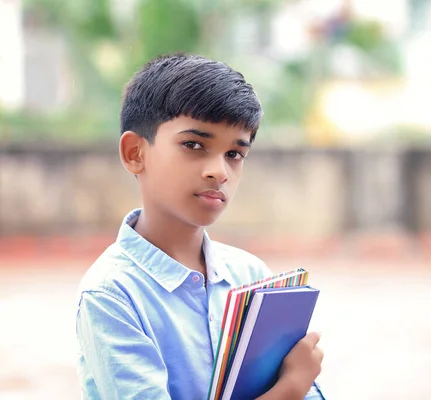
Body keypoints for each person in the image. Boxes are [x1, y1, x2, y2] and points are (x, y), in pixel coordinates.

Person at [75, 53, 325, 400]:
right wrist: (291, 388)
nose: (219, 171)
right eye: (194, 145)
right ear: (135, 152)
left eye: (235, 154)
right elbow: (295, 387)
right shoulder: (112, 295)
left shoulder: (251, 275)